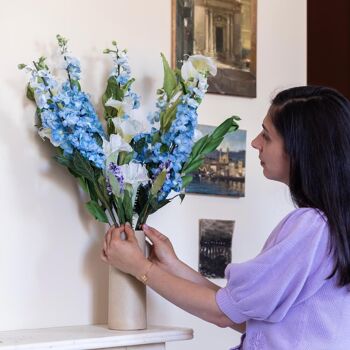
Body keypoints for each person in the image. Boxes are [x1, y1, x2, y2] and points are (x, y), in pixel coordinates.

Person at [101, 86, 350, 349]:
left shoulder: (310, 227)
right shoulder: (329, 227)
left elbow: (224, 313)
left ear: (300, 149)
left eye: (266, 136)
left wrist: (139, 267)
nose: (255, 143)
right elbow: (242, 312)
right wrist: (172, 266)